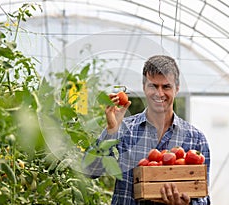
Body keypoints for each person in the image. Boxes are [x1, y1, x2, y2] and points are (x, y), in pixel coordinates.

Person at [84, 55, 211, 205]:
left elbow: (203, 197)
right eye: (153, 86)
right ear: (144, 87)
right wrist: (111, 130)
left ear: (177, 89)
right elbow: (89, 170)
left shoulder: (195, 138)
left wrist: (186, 203)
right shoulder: (124, 130)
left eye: (166, 87)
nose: (159, 93)